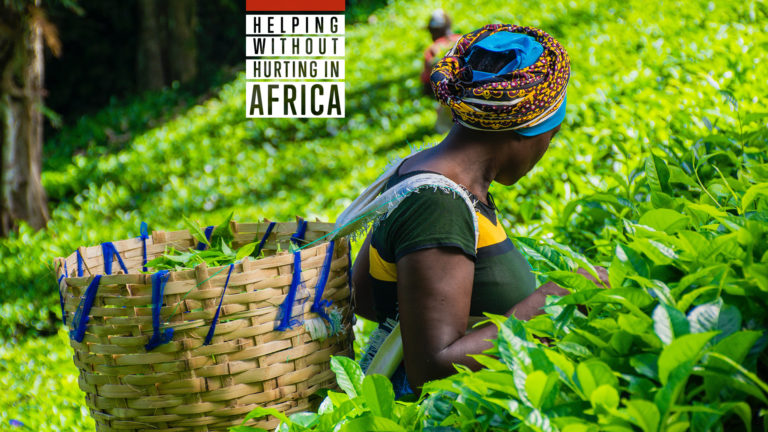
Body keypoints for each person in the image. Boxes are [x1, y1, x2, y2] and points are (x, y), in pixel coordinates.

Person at [338, 24, 608, 397]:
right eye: (552, 133)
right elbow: (431, 368)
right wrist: (553, 301)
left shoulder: (419, 170)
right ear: (525, 128)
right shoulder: (438, 203)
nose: (548, 146)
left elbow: (370, 294)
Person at [421, 10, 461, 133]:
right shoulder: (462, 40)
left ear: (434, 31)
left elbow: (426, 84)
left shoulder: (433, 50)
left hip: (450, 102)